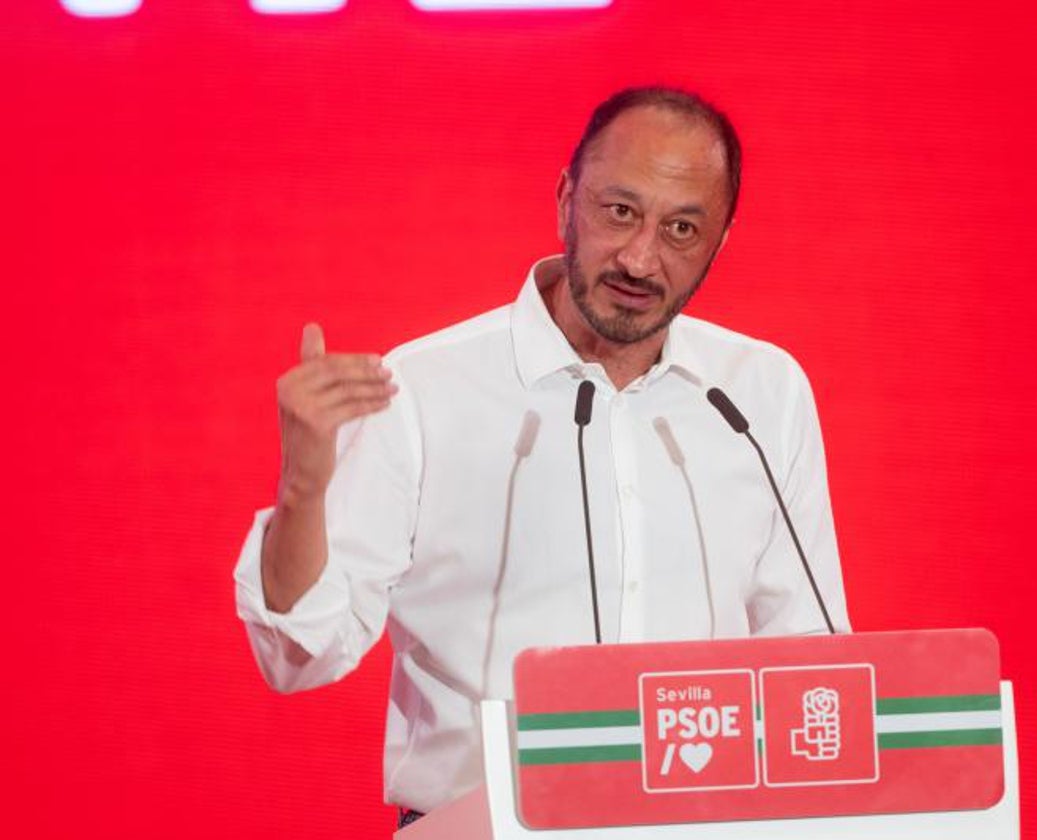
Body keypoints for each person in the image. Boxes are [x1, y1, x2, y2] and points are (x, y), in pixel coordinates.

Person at [233, 86, 850, 820]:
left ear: (721, 241)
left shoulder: (759, 393)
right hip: (478, 828)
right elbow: (301, 654)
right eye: (619, 211)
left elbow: (809, 656)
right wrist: (303, 489)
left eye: (682, 228)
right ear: (566, 199)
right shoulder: (427, 389)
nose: (641, 258)